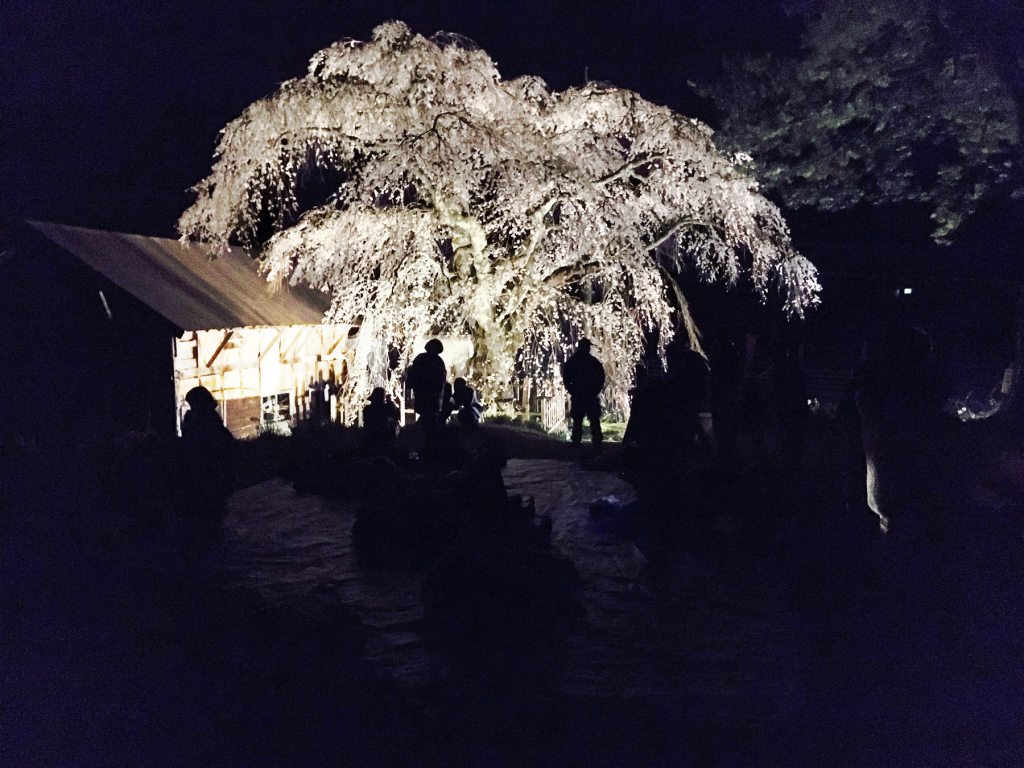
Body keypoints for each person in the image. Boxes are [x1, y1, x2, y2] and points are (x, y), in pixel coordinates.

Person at [562, 338, 605, 447]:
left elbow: (566, 378)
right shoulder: (592, 362)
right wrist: (595, 390)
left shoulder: (573, 362)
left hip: (579, 394)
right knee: (593, 419)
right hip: (589, 395)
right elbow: (601, 377)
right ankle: (596, 441)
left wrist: (572, 390)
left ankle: (577, 441)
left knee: (578, 420)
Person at [406, 338, 448, 436]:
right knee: (427, 413)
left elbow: (440, 378)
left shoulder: (434, 360)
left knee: (429, 413)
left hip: (429, 392)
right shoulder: (424, 359)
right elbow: (413, 372)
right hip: (423, 391)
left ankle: (429, 434)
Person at [362, 387, 400, 453]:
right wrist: (389, 402)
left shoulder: (367, 409)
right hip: (383, 438)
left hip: (370, 439)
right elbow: (396, 414)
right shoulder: (385, 409)